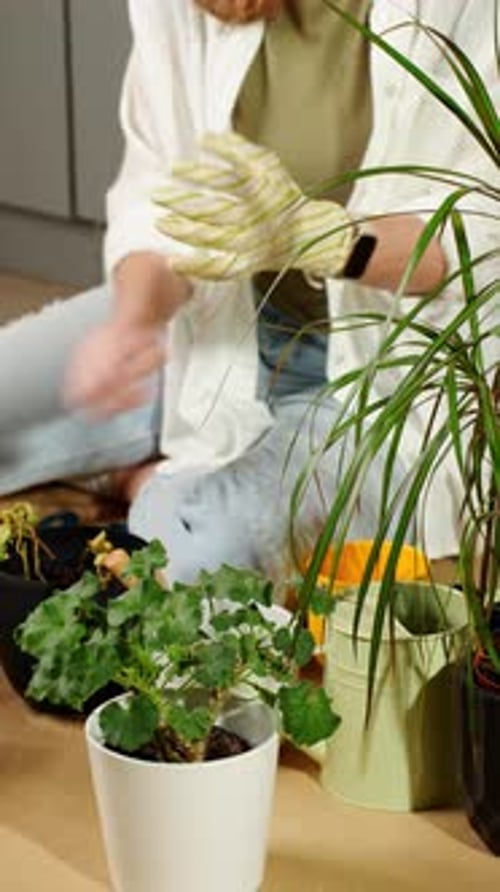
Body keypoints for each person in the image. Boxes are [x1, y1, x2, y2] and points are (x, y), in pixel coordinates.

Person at [0, 0, 497, 584]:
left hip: (370, 381)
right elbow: (154, 191)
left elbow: (483, 234)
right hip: (210, 331)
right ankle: (133, 475)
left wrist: (329, 242)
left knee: (201, 562)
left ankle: (139, 478)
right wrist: (132, 322)